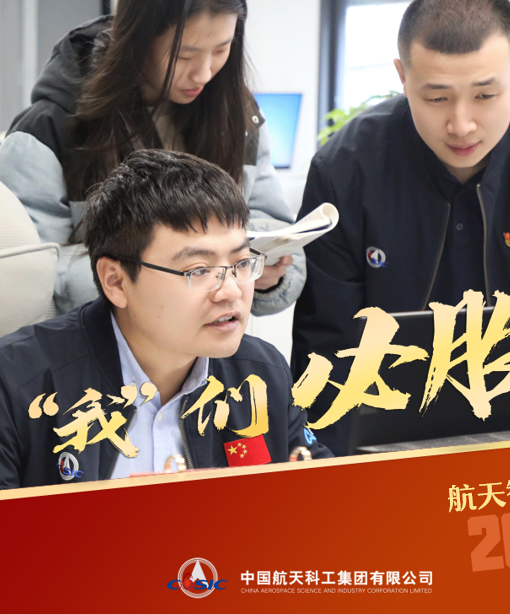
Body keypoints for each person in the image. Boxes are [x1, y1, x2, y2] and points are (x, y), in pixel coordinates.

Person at [291, 0, 510, 454]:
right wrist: (332, 465)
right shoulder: (345, 172)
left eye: (485, 95)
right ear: (402, 76)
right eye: (437, 98)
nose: (461, 125)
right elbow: (327, 347)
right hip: (381, 421)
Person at [0, 0, 302, 316]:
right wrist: (160, 276)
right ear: (138, 39)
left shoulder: (238, 119)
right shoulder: (51, 130)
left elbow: (278, 234)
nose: (204, 72)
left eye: (221, 50)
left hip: (207, 345)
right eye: (185, 55)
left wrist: (265, 273)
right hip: (97, 347)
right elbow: (29, 276)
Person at [0, 150, 331, 488]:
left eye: (242, 263)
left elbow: (320, 496)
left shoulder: (261, 374)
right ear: (116, 282)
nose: (231, 291)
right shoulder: (17, 385)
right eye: (198, 270)